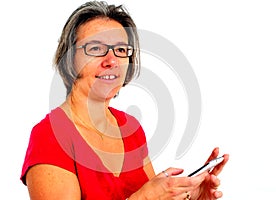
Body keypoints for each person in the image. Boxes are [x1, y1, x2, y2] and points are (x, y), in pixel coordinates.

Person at [20, 1, 229, 199]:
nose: (112, 61)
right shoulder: (49, 136)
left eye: (120, 50)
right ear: (69, 58)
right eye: (95, 48)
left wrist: (186, 197)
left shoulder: (131, 129)